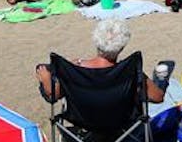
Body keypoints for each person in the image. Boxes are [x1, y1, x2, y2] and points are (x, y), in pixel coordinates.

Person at [35, 19, 165, 104]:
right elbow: (158, 97)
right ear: (122, 47)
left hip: (83, 121)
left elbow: (53, 96)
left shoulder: (74, 69)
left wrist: (46, 79)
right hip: (121, 123)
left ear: (96, 41)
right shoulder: (130, 71)